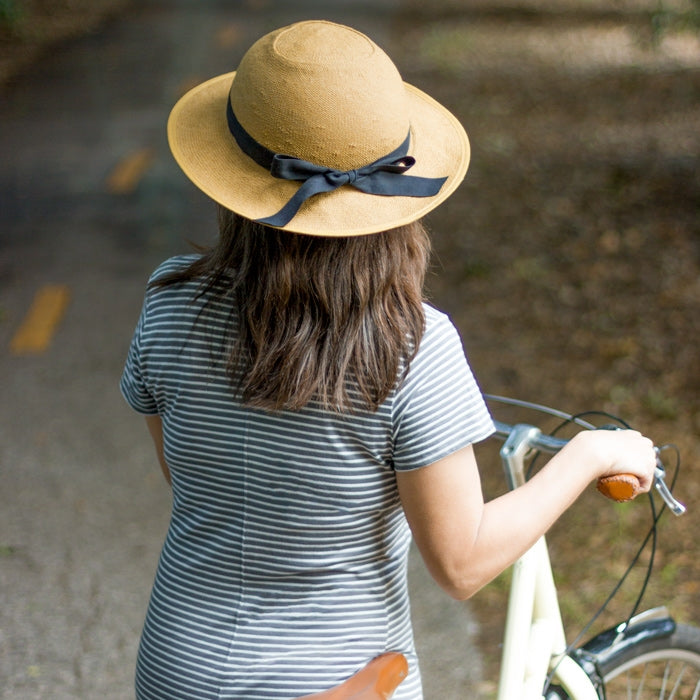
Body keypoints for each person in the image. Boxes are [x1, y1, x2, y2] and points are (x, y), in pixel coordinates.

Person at [120, 20, 657, 700]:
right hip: (339, 682)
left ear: (237, 182)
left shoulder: (168, 305)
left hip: (178, 667)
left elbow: (194, 481)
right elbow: (461, 564)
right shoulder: (412, 348)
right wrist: (587, 456)